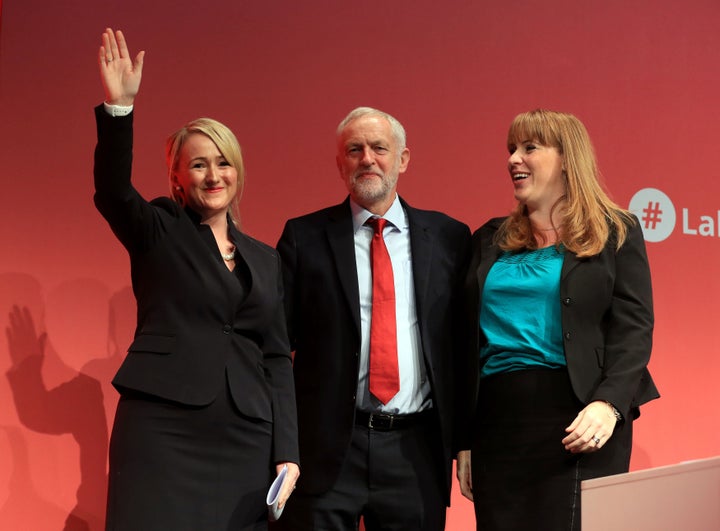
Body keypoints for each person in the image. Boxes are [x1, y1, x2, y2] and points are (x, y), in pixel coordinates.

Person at [93, 28, 299, 531]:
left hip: (245, 435)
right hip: (163, 429)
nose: (213, 175)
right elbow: (114, 193)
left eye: (223, 163)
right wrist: (119, 109)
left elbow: (276, 358)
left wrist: (288, 452)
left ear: (238, 173)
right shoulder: (159, 229)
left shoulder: (265, 259)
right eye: (199, 164)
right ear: (177, 177)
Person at [456, 109, 659, 531]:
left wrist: (609, 405)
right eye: (512, 149)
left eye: (530, 147)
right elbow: (463, 344)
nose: (514, 159)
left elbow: (633, 329)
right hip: (499, 421)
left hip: (580, 418)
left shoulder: (615, 230)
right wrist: (465, 439)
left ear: (567, 158)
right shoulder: (488, 239)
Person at [274, 107, 471, 530]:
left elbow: (464, 347)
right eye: (354, 149)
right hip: (325, 449)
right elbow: (274, 348)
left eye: (379, 148)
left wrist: (464, 442)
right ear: (340, 163)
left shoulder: (450, 238)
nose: (367, 158)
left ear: (402, 160)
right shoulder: (303, 237)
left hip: (416, 449)